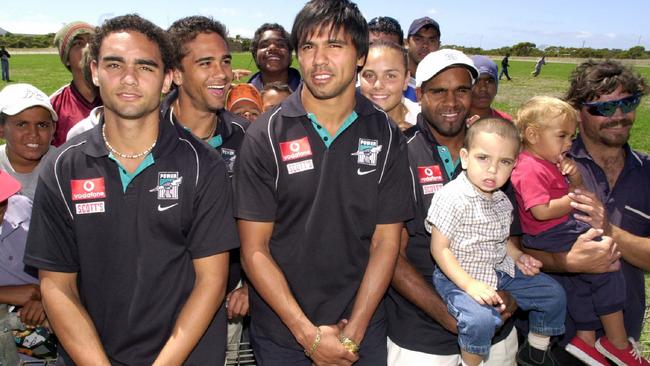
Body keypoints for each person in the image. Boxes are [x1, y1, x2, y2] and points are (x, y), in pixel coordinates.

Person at [23, 14, 238, 365]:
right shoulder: (61, 168)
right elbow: (57, 285)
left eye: (146, 67)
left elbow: (211, 281)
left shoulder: (204, 165)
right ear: (94, 71)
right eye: (114, 64)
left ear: (168, 78)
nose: (129, 79)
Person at [234, 0, 413, 364]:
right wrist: (308, 336)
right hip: (284, 335)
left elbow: (385, 242)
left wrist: (355, 331)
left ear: (360, 55)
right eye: (308, 46)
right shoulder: (264, 135)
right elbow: (254, 249)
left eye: (335, 45)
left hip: (361, 330)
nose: (320, 59)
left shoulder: (387, 135)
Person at [386, 49, 520, 366]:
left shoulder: (492, 151)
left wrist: (513, 295)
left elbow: (509, 237)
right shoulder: (399, 155)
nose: (451, 102)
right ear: (419, 94)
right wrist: (447, 315)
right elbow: (390, 255)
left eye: (461, 90)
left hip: (496, 331)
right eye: (438, 91)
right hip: (422, 340)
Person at [521, 59, 649, 365]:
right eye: (604, 108)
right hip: (551, 341)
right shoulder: (544, 163)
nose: (619, 115)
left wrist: (609, 231)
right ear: (578, 112)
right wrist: (565, 262)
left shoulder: (647, 171)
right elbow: (511, 243)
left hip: (619, 342)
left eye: (628, 102)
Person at [428, 117, 566, 366]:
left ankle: (535, 350)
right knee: (479, 320)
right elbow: (439, 249)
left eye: (504, 162)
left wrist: (518, 256)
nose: (493, 169)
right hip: (457, 276)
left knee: (552, 293)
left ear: (514, 167)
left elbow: (502, 241)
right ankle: (471, 362)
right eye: (483, 158)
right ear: (465, 157)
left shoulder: (502, 201)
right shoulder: (451, 197)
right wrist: (469, 285)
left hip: (497, 270)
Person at [165, 15, 252, 362]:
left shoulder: (246, 138)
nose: (222, 74)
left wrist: (249, 285)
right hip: (156, 306)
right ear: (176, 72)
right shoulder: (146, 135)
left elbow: (264, 220)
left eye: (226, 61)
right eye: (205, 63)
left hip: (224, 303)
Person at [0, 83, 57, 200]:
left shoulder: (63, 165)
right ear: (1, 130)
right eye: (22, 124)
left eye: (42, 125)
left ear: (53, 129)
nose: (33, 134)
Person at [51, 21, 103, 146]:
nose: (88, 47)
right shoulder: (54, 107)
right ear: (66, 59)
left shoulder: (119, 96)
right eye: (78, 43)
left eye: (93, 41)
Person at [359, 40, 419, 131]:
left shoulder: (427, 122)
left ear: (406, 80)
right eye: (369, 75)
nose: (378, 85)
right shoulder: (342, 123)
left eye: (390, 76)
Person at [248, 23, 301, 92]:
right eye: (264, 45)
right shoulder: (244, 95)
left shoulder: (309, 90)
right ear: (255, 55)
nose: (272, 48)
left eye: (280, 45)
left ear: (290, 54)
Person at [404, 16, 440, 102]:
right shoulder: (394, 81)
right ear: (407, 43)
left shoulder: (443, 85)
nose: (425, 45)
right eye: (418, 39)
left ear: (438, 45)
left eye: (431, 40)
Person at [469, 55, 512, 120]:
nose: (483, 88)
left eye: (489, 81)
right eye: (476, 81)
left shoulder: (507, 123)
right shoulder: (453, 125)